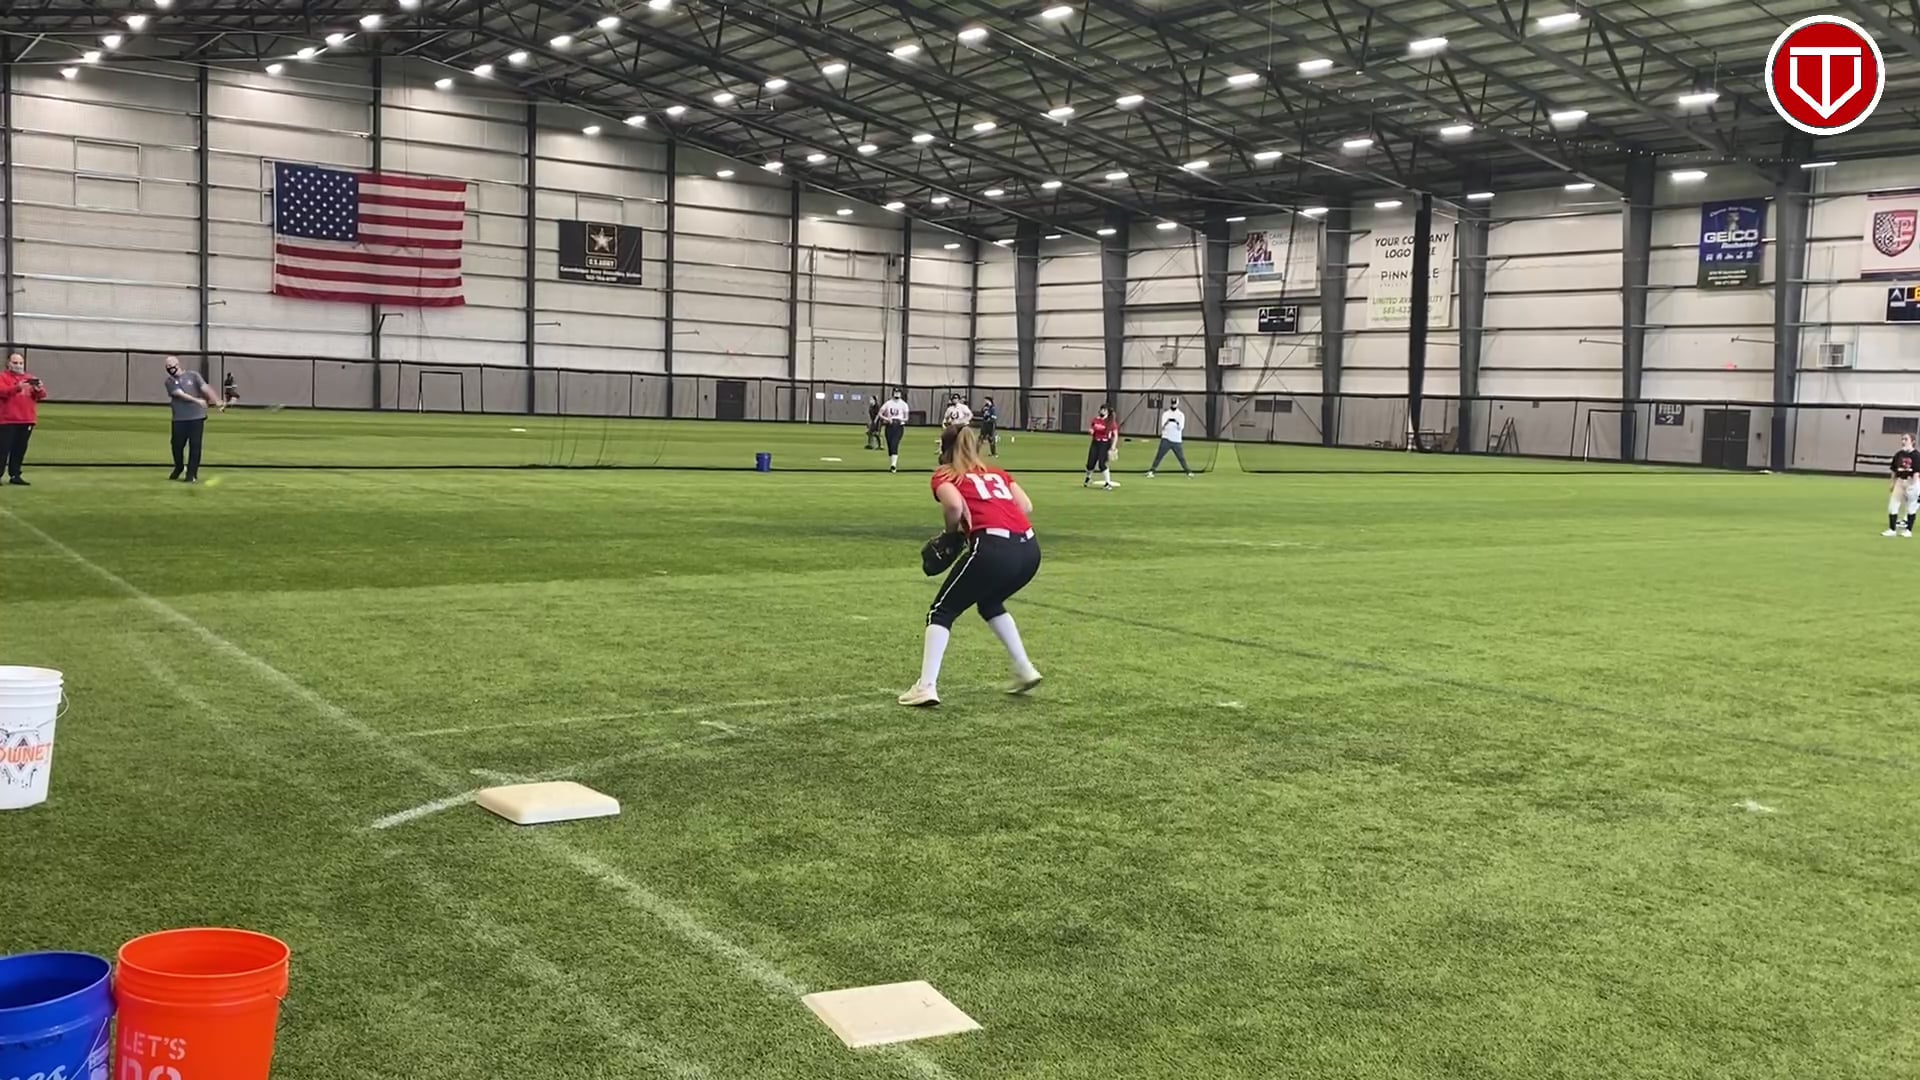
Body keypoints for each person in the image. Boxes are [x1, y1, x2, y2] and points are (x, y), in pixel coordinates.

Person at [900, 426, 1043, 707]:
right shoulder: (997, 473)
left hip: (993, 548)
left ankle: (926, 686)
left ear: (945, 449)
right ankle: (1025, 668)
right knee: (990, 603)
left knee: (942, 611)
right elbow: (1025, 506)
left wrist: (951, 534)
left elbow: (954, 506)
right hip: (1029, 549)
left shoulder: (945, 475)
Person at [163, 355, 223, 483]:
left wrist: (216, 400)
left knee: (195, 446)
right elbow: (179, 394)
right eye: (167, 367)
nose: (169, 368)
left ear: (177, 364)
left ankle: (191, 474)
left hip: (196, 417)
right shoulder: (169, 381)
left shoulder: (193, 375)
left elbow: (205, 388)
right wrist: (198, 401)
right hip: (179, 418)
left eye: (171, 365)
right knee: (177, 445)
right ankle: (179, 466)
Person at [0, 353, 48, 487]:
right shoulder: (2, 377)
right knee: (2, 449)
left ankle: (15, 475)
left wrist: (38, 389)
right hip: (7, 420)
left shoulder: (30, 378)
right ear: (8, 363)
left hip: (26, 419)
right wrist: (17, 387)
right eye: (15, 363)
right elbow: (2, 392)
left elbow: (42, 395)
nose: (18, 366)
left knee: (19, 449)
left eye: (20, 363)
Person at [1146, 396, 1194, 478]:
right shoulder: (1166, 414)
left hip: (1176, 440)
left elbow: (1181, 427)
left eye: (1175, 403)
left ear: (1177, 404)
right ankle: (1152, 471)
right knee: (1159, 456)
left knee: (1181, 457)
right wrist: (1168, 422)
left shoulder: (1180, 415)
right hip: (1166, 438)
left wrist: (1175, 422)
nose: (1173, 405)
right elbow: (1163, 426)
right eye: (1172, 403)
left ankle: (1188, 472)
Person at [1886, 433, 1919, 537]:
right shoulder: (1899, 454)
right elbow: (1894, 470)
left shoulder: (1916, 455)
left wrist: (1914, 485)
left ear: (1912, 441)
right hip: (1900, 481)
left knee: (1911, 507)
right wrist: (1892, 482)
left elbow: (1917, 472)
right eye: (1902, 439)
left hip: (1911, 482)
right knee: (1893, 505)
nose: (1903, 441)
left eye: (1906, 439)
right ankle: (1892, 530)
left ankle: (1908, 531)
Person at [1083, 403, 1120, 490]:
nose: (1102, 411)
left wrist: (1113, 446)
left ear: (1108, 412)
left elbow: (1115, 435)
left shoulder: (1110, 422)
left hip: (1105, 444)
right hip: (1095, 442)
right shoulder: (1096, 420)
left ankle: (1107, 483)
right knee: (1090, 464)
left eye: (1104, 410)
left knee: (1101, 464)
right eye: (1101, 409)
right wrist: (1091, 431)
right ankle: (1088, 478)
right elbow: (1093, 428)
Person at [877, 390, 909, 472]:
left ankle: (893, 465)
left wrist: (900, 420)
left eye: (898, 393)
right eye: (895, 392)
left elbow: (906, 418)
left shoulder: (904, 404)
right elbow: (880, 413)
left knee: (894, 444)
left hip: (899, 426)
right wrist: (887, 419)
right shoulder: (888, 403)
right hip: (889, 426)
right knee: (890, 445)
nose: (897, 394)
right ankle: (892, 463)